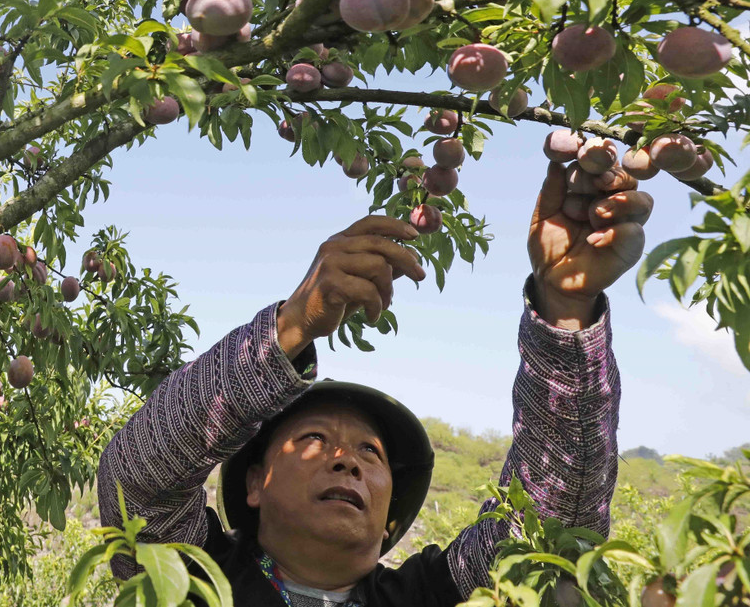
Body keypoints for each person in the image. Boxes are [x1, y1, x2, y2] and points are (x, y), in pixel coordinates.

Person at [97, 158, 653, 605]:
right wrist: (289, 329)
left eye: (371, 450)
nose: (347, 459)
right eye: (313, 438)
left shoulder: (434, 596)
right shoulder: (193, 579)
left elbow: (550, 523)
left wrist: (565, 306)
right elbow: (137, 479)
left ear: (389, 517)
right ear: (253, 485)